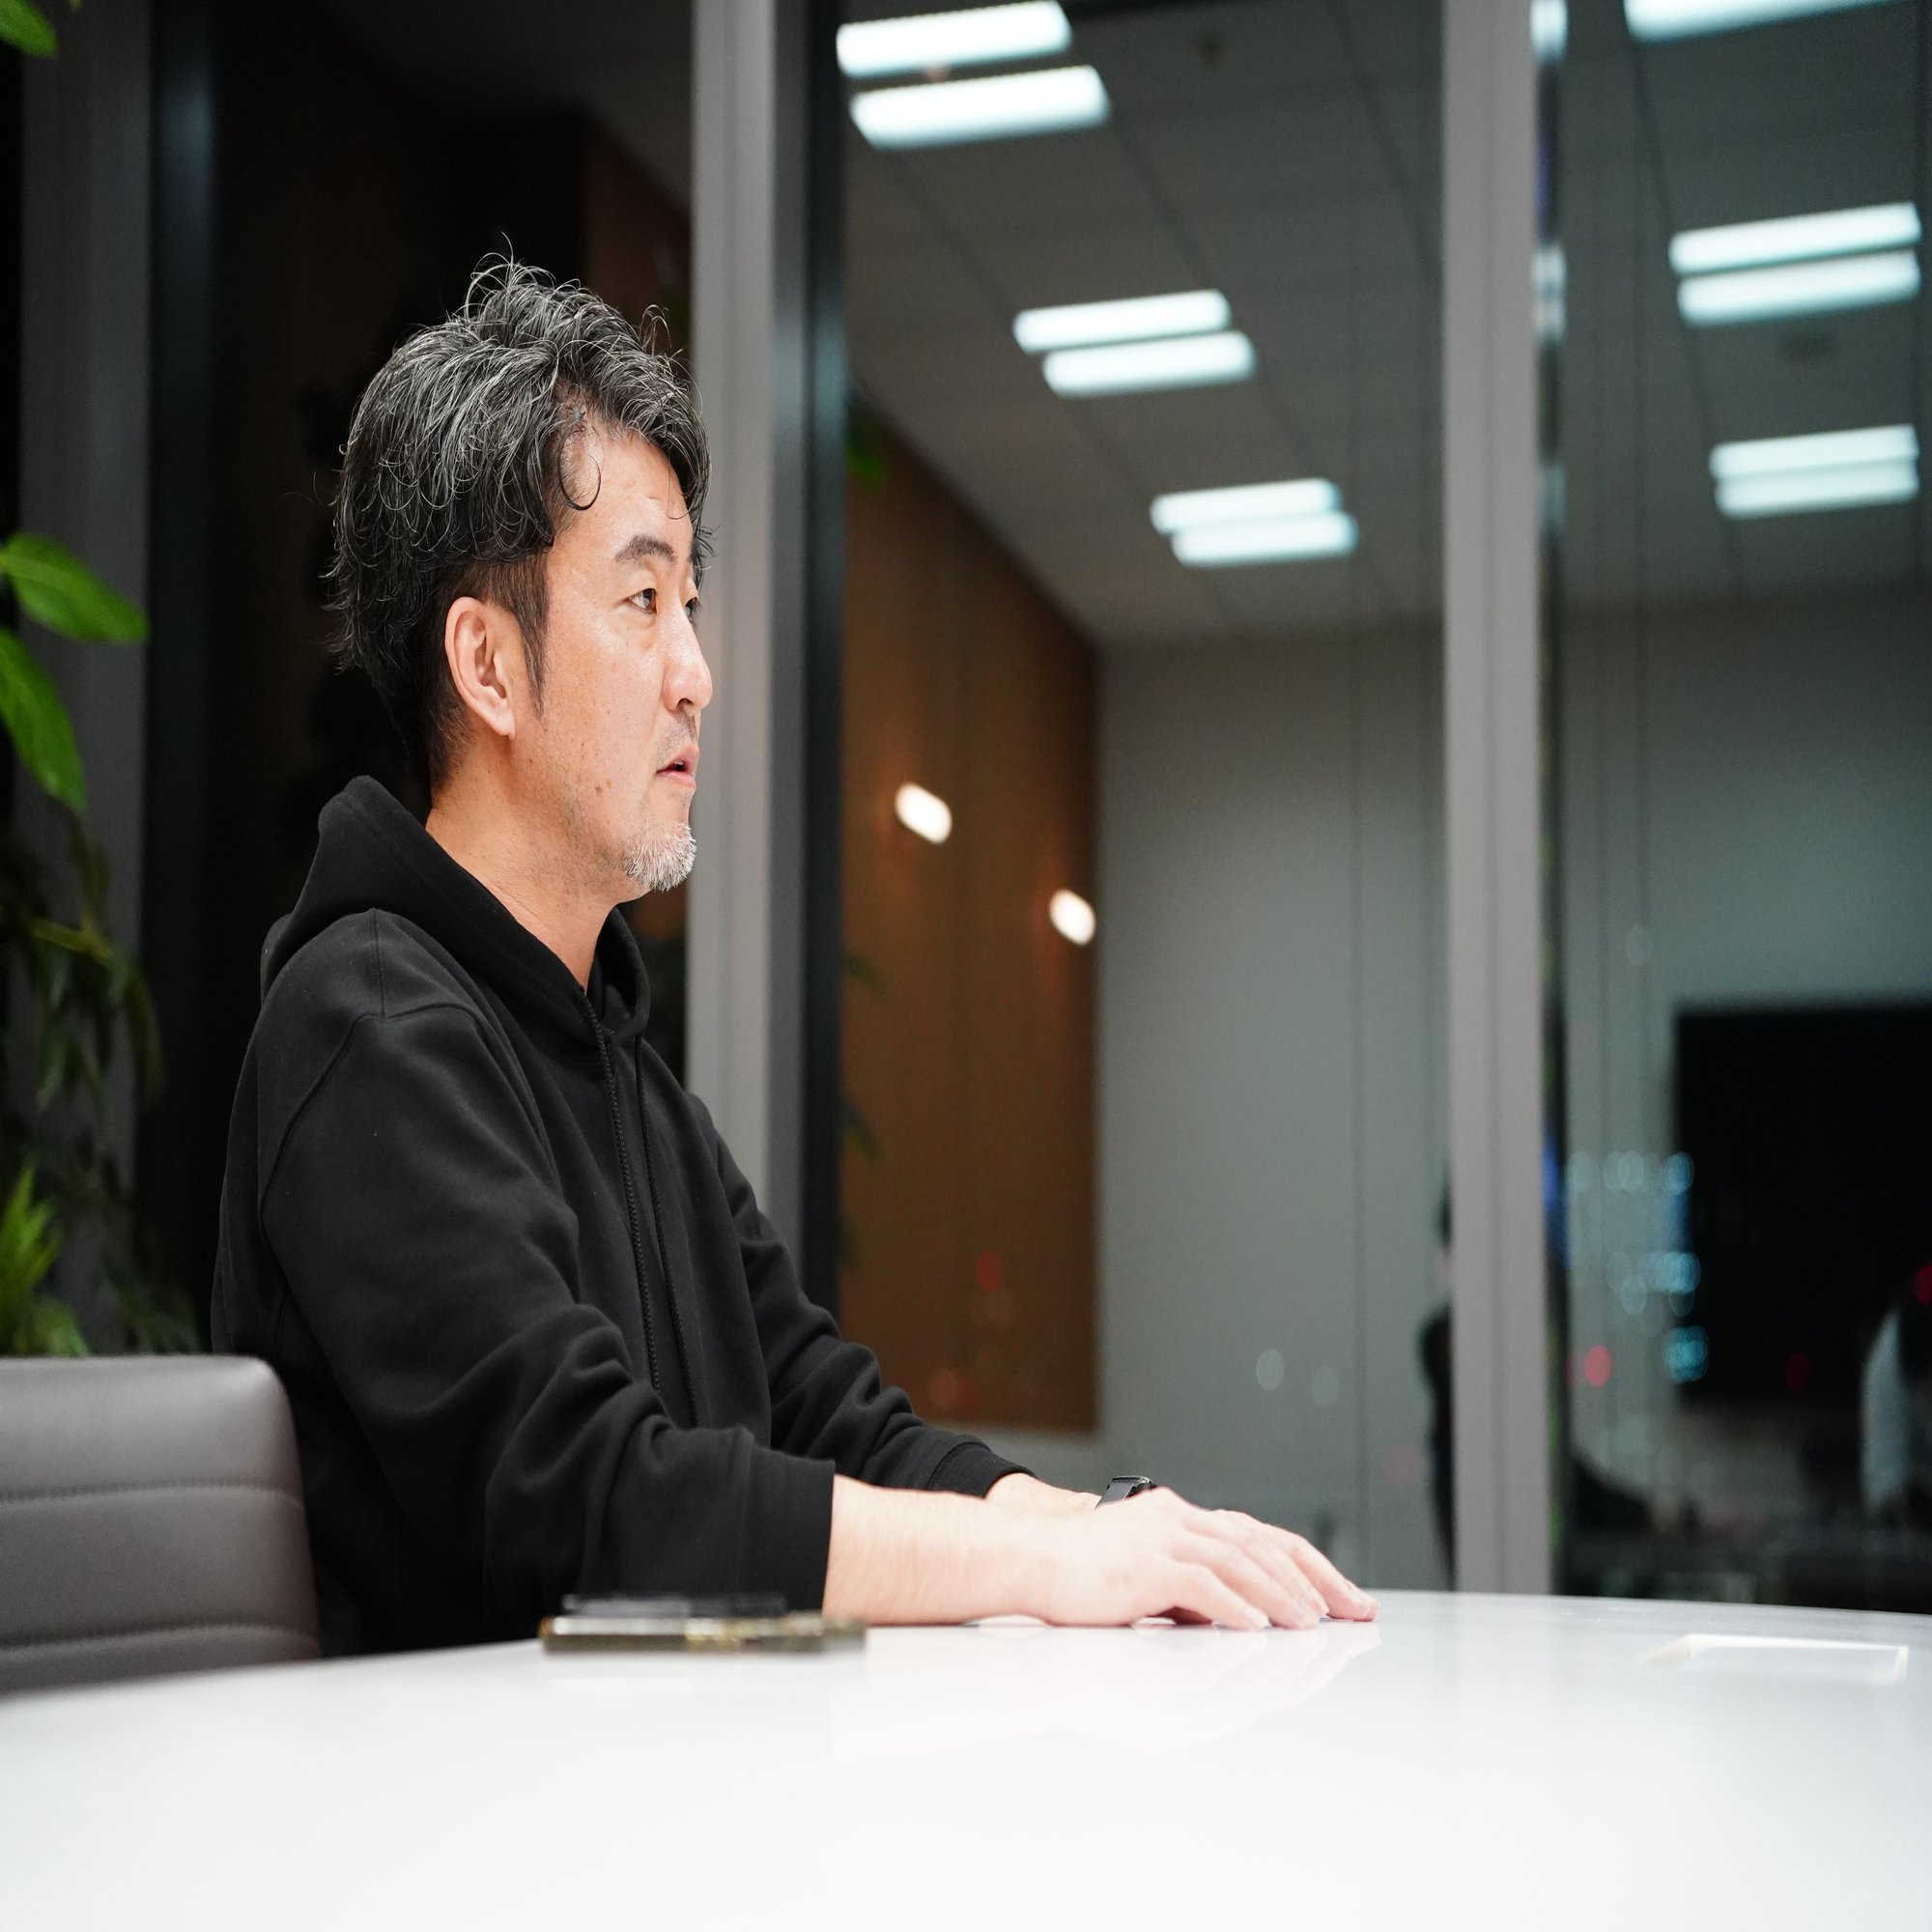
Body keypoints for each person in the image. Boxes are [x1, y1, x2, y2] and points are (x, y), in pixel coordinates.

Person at [213, 263, 1378, 1654]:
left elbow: (829, 1414)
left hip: (648, 1770)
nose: (695, 671)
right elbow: (595, 1506)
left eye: (689, 603)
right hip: (446, 1789)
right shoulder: (367, 1027)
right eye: (643, 601)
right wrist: (1048, 1565)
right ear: (490, 667)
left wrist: (1107, 1530)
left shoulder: (619, 1067)